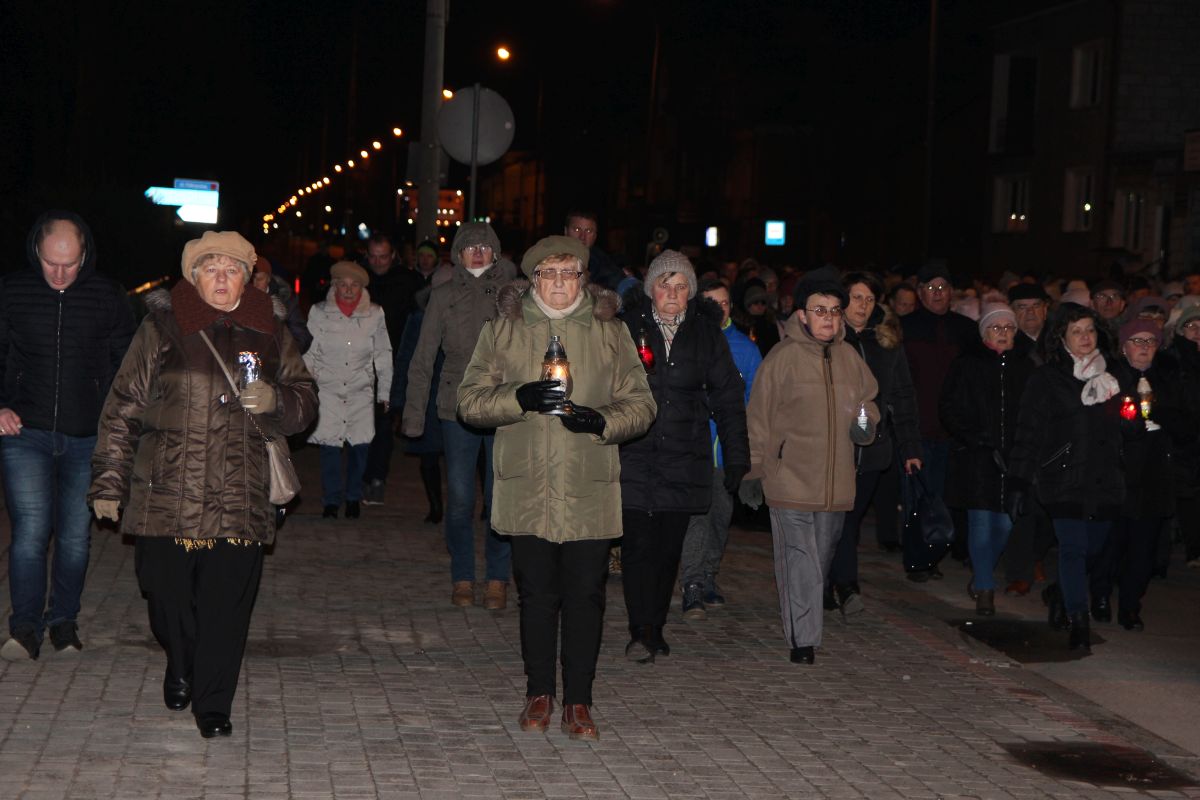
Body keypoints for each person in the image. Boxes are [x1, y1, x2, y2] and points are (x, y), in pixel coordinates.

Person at [89, 231, 317, 737]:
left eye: (232, 269)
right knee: (165, 594)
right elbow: (123, 406)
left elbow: (305, 398)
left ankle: (214, 703)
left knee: (226, 607)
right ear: (193, 276)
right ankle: (182, 660)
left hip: (240, 492)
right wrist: (108, 482)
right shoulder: (161, 326)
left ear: (248, 278)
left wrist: (278, 400)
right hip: (168, 490)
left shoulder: (270, 328)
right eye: (210, 268)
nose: (221, 278)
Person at [457, 235, 655, 740]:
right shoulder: (503, 329)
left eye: (570, 273)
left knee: (586, 595)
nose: (561, 283)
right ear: (533, 280)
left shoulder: (610, 332)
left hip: (588, 484)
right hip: (528, 485)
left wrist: (600, 421)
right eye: (550, 273)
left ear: (583, 279)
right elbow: (470, 402)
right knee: (537, 595)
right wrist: (518, 397)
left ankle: (579, 700)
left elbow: (642, 404)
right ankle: (539, 691)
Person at [0, 211, 136, 661]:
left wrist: (114, 419)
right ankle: (24, 628)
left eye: (70, 264)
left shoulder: (108, 296)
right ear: (36, 251)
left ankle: (63, 621)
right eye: (50, 263)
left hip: (87, 437)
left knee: (76, 536)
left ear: (85, 254)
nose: (59, 274)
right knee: (30, 532)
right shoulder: (12, 291)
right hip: (25, 432)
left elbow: (125, 364)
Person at [618, 250, 749, 663]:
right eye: (664, 285)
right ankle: (640, 629)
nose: (672, 294)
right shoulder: (627, 327)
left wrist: (737, 457)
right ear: (651, 289)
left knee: (667, 549)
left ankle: (654, 626)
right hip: (634, 455)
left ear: (690, 292)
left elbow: (729, 398)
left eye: (680, 286)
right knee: (637, 547)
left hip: (684, 456)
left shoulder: (705, 334)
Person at [744, 266, 879, 665]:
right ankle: (803, 641)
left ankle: (805, 627)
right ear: (802, 314)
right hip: (790, 480)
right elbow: (759, 418)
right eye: (820, 310)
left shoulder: (849, 357)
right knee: (798, 561)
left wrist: (864, 422)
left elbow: (869, 403)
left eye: (835, 311)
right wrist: (753, 470)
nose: (829, 318)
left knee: (819, 560)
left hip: (836, 484)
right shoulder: (782, 358)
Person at [403, 222, 517, 609]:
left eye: (485, 246)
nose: (478, 252)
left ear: (496, 252)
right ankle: (463, 576)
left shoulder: (514, 295)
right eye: (471, 247)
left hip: (503, 406)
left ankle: (498, 577)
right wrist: (414, 416)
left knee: (500, 497)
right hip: (457, 407)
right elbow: (422, 358)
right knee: (461, 498)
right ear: (458, 254)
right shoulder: (443, 296)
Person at [1008, 303, 1123, 652]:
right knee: (1073, 549)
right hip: (1063, 478)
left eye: (1090, 330)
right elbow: (1028, 430)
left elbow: (1128, 425)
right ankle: (1079, 621)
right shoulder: (1047, 378)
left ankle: (1060, 592)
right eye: (1077, 331)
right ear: (1061, 338)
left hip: (1105, 478)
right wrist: (1019, 480)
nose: (1085, 337)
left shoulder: (1114, 375)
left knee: (1094, 550)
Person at [826, 271, 921, 614]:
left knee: (850, 519)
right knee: (832, 519)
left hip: (871, 448)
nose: (863, 306)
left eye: (869, 299)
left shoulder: (886, 343)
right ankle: (834, 582)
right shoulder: (829, 338)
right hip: (832, 447)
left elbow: (902, 396)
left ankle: (845, 583)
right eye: (856, 298)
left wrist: (910, 448)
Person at [1094, 319, 1194, 630]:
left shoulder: (1167, 380)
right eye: (1137, 341)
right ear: (1123, 347)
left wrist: (1159, 411)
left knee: (1143, 549)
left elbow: (1186, 427)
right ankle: (1099, 595)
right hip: (1119, 473)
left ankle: (1130, 606)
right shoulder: (1110, 378)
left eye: (1150, 341)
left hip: (1154, 473)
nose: (1144, 347)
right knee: (1111, 543)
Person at [939, 304, 1034, 616]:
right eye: (996, 327)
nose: (1003, 333)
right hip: (977, 456)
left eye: (1009, 328)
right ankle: (984, 587)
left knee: (1005, 523)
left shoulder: (1026, 367)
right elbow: (949, 407)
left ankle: (982, 573)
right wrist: (975, 438)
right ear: (984, 333)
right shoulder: (967, 364)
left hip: (1013, 457)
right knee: (981, 522)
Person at [678, 278, 761, 620]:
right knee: (696, 517)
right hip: (693, 449)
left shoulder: (746, 349)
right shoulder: (687, 340)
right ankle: (692, 582)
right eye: (712, 302)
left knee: (719, 518)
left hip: (726, 453)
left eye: (725, 303)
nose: (719, 309)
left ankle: (709, 574)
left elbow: (755, 403)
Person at [900, 262, 978, 580]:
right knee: (916, 497)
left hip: (952, 430)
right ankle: (917, 560)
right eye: (931, 288)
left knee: (943, 497)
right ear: (920, 292)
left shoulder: (965, 329)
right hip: (916, 427)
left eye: (943, 287)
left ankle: (935, 553)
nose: (938, 293)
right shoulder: (905, 327)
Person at [304, 260, 393, 519]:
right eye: (343, 285)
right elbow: (310, 353)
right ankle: (331, 500)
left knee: (360, 445)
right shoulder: (319, 312)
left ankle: (353, 497)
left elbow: (383, 354)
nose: (348, 290)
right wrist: (305, 387)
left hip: (360, 390)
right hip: (328, 390)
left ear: (362, 288)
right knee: (330, 446)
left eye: (354, 285)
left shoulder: (375, 314)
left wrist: (384, 392)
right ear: (335, 286)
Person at [360, 233, 424, 504]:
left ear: (393, 256)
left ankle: (376, 478)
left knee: (383, 422)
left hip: (393, 363)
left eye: (383, 257)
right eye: (373, 257)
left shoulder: (407, 282)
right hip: (361, 362)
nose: (378, 262)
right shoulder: (359, 279)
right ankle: (361, 475)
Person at [391, 266, 453, 524]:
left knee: (464, 456)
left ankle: (474, 506)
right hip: (426, 397)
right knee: (428, 455)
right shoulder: (419, 318)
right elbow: (405, 358)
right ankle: (435, 506)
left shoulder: (469, 317)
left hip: (457, 395)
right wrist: (399, 402)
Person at [1169, 304, 1200, 569]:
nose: (1197, 332)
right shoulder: (1173, 361)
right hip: (1184, 442)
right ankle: (1194, 549)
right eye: (1191, 326)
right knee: (1189, 498)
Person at [251, 256, 312, 352]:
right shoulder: (238, 299)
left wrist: (281, 352)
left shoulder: (287, 300)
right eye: (251, 279)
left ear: (269, 279)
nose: (255, 284)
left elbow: (302, 337)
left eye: (260, 279)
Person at [564, 209, 623, 291]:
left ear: (595, 236)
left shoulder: (602, 261)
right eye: (577, 229)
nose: (582, 237)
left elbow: (617, 279)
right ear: (566, 231)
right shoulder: (551, 256)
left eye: (588, 231)